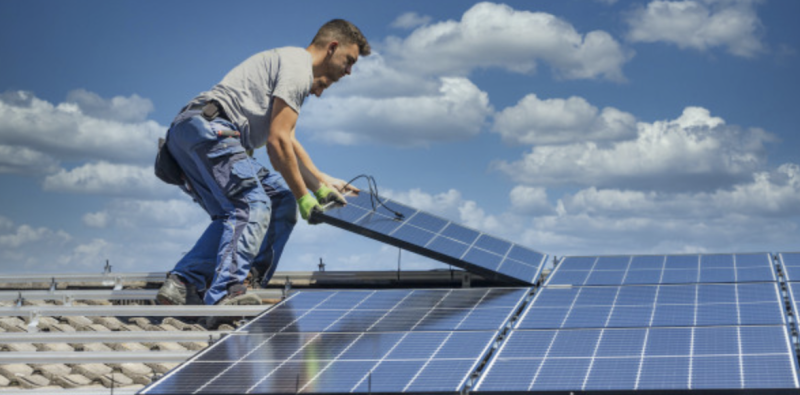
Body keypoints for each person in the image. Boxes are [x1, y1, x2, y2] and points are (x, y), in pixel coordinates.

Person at [155, 19, 370, 309]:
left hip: (192, 133)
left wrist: (322, 181)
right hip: (214, 131)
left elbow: (288, 141)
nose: (349, 71)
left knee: (275, 200)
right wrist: (306, 198)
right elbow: (277, 144)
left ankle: (183, 283)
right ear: (332, 47)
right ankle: (229, 292)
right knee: (252, 204)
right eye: (349, 61)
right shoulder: (299, 67)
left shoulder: (288, 64)